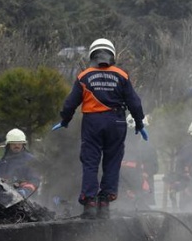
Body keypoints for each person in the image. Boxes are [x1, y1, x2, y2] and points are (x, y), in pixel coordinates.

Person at [58, 38, 147, 219]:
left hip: (93, 122)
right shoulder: (122, 75)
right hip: (117, 122)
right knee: (112, 161)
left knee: (91, 161)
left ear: (92, 54)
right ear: (112, 54)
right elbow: (135, 103)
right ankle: (105, 201)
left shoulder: (84, 76)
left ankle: (89, 201)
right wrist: (139, 122)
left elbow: (70, 104)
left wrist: (65, 120)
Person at [119, 115, 158, 209]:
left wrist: (146, 174)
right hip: (127, 197)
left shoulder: (147, 146)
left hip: (142, 195)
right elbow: (121, 172)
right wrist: (126, 190)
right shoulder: (122, 145)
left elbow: (155, 166)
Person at [0, 128, 40, 198]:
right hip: (5, 198)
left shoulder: (31, 160)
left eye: (19, 143)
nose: (17, 146)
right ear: (8, 145)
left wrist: (23, 192)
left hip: (27, 199)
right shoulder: (3, 161)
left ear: (23, 144)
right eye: (14, 143)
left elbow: (35, 181)